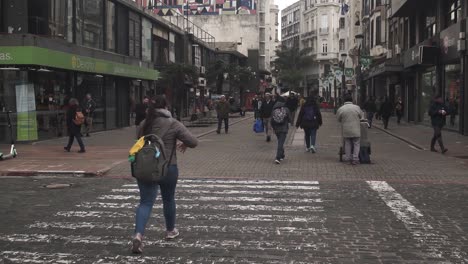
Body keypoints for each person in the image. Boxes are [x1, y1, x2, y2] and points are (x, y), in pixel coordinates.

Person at [133, 95, 198, 254]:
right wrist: (182, 143)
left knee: (145, 202)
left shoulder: (143, 124)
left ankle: (138, 235)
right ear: (166, 107)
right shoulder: (173, 123)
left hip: (146, 168)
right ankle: (170, 231)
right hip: (168, 167)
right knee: (168, 199)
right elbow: (193, 142)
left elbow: (139, 142)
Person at [337, 94, 363, 165]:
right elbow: (361, 116)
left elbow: (338, 119)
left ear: (344, 100)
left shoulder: (341, 108)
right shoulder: (357, 108)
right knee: (356, 143)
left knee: (347, 143)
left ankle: (348, 158)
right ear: (352, 100)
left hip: (346, 129)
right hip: (356, 129)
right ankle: (355, 159)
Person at [271, 96, 291, 164]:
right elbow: (289, 119)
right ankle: (278, 157)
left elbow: (272, 120)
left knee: (280, 142)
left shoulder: (274, 110)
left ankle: (282, 155)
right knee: (280, 143)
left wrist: (273, 128)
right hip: (284, 129)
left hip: (276, 129)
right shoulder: (286, 109)